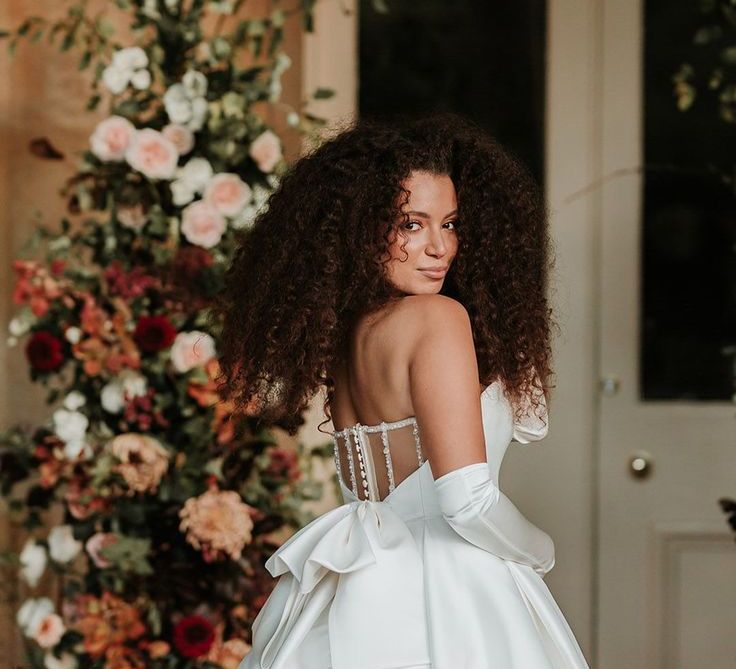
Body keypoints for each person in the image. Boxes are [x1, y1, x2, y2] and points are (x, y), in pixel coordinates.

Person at [214, 112, 590, 668]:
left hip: (355, 595)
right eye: (411, 224)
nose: (439, 246)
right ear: (359, 226)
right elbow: (466, 501)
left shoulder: (345, 335)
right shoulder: (437, 319)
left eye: (452, 224)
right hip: (454, 591)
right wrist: (540, 551)